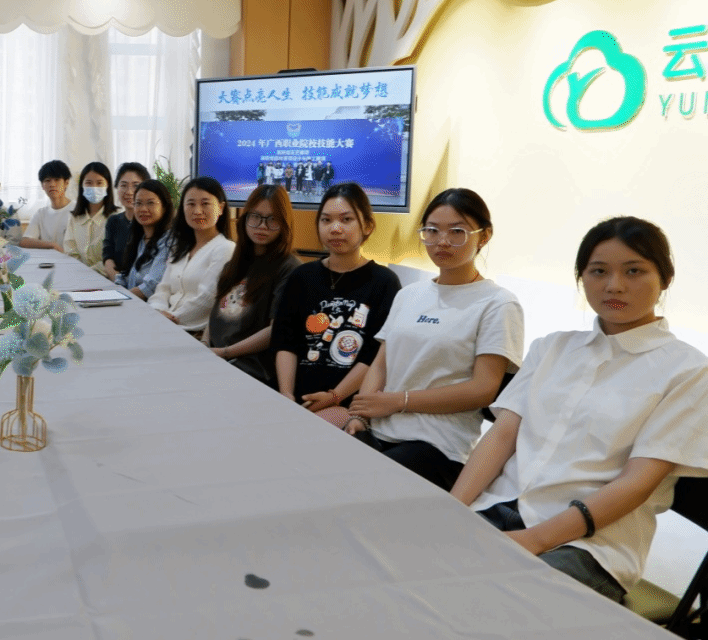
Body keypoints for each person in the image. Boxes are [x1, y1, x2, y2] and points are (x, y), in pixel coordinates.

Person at [451, 216, 708, 603]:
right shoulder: (551, 347)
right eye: (598, 271)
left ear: (666, 278)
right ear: (581, 277)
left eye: (634, 271)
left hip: (589, 546)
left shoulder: (688, 371)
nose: (614, 285)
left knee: (490, 603)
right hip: (496, 508)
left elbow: (637, 482)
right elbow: (502, 436)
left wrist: (534, 540)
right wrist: (452, 509)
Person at [343, 189, 524, 490]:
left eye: (457, 232)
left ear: (484, 236)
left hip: (439, 445)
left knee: (361, 488)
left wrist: (399, 401)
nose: (442, 241)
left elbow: (483, 389)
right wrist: (359, 416)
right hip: (379, 429)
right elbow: (381, 364)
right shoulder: (409, 294)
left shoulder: (498, 303)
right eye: (432, 230)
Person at [271, 182, 400, 408]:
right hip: (294, 397)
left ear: (368, 226)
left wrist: (335, 396)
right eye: (326, 220)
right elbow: (285, 341)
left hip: (348, 401)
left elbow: (375, 354)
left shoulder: (385, 282)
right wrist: (286, 395)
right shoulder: (301, 276)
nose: (335, 228)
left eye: (346, 219)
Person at [206, 184, 302, 388]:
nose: (262, 226)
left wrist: (224, 353)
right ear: (245, 219)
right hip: (218, 358)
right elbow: (215, 314)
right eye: (255, 216)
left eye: (272, 219)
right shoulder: (233, 264)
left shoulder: (290, 268)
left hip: (252, 369)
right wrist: (204, 346)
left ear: (284, 223)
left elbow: (276, 330)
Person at [148, 177, 236, 334]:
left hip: (192, 332)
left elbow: (207, 298)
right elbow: (163, 288)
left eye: (205, 203)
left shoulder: (225, 249)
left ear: (221, 208)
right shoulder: (180, 247)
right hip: (162, 324)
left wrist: (171, 318)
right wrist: (157, 311)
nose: (197, 211)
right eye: (190, 204)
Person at [116, 180, 173, 301]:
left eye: (150, 203)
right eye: (138, 203)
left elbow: (151, 286)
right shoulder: (140, 240)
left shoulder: (169, 241)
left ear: (164, 207)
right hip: (131, 303)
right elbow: (123, 277)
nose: (143, 209)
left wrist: (118, 298)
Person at [63, 161, 118, 275]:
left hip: (107, 278)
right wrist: (80, 273)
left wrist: (90, 272)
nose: (94, 187)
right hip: (78, 276)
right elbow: (70, 252)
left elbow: (116, 257)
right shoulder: (74, 218)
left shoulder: (117, 217)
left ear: (108, 185)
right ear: (82, 186)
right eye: (88, 183)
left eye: (99, 183)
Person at [103, 162, 149, 280]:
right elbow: (108, 256)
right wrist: (117, 281)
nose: (129, 192)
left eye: (136, 185)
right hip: (116, 282)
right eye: (123, 185)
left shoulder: (150, 224)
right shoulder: (113, 221)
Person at [20, 159, 73, 252]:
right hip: (48, 259)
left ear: (66, 183)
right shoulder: (41, 213)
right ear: (42, 186)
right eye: (47, 180)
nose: (52, 184)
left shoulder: (78, 209)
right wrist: (52, 245)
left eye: (57, 180)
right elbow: (25, 241)